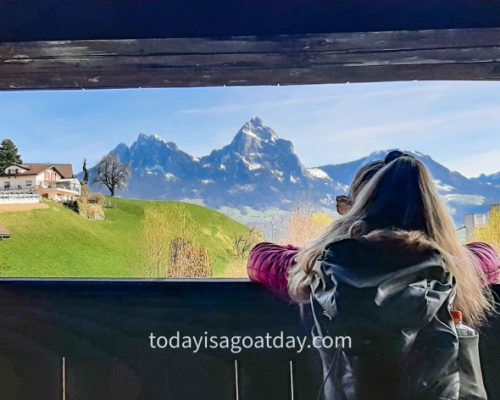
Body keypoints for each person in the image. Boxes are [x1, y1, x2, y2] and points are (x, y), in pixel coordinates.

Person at [248, 153, 494, 399]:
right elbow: (488, 256)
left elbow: (260, 257)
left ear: (356, 213)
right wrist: (448, 248)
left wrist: (312, 251)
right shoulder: (452, 270)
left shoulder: (324, 271)